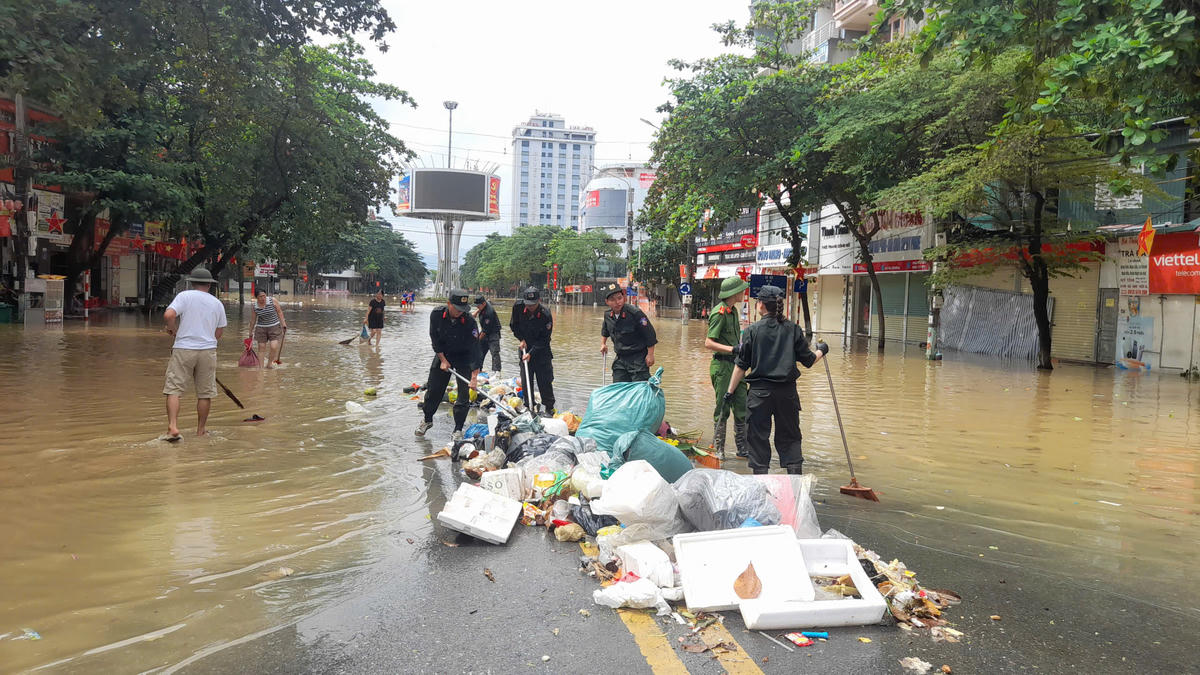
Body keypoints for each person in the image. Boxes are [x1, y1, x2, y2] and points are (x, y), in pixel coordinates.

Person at [724, 285, 828, 475]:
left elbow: (741, 366)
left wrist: (729, 392)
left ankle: (761, 488)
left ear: (761, 305)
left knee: (757, 439)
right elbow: (809, 361)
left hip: (759, 396)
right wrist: (823, 349)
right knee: (790, 438)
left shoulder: (752, 331)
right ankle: (795, 489)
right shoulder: (793, 329)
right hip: (787, 394)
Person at [162, 267, 228, 439]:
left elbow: (168, 315)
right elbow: (219, 333)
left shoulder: (184, 296)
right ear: (209, 285)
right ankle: (201, 431)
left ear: (192, 283)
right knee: (205, 393)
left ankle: (173, 427)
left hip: (184, 348)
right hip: (207, 350)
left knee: (174, 389)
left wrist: (172, 329)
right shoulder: (217, 303)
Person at [415, 289, 482, 440]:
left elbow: (475, 349)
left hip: (464, 357)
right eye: (457, 309)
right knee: (434, 389)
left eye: (462, 310)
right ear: (448, 304)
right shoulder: (437, 315)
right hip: (443, 354)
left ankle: (458, 429)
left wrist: (474, 376)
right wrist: (443, 360)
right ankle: (427, 420)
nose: (460, 312)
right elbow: (435, 339)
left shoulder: (470, 321)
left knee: (464, 395)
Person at [705, 276, 750, 459]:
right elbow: (708, 343)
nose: (743, 292)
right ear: (734, 293)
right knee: (723, 406)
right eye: (741, 290)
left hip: (736, 365)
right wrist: (733, 349)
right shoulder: (719, 313)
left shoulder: (733, 311)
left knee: (742, 406)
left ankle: (742, 449)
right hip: (722, 366)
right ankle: (720, 450)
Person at [509, 286, 555, 415]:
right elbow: (514, 325)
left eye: (533, 305)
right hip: (525, 349)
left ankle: (549, 407)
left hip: (542, 351)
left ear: (538, 301)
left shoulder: (545, 314)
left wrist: (532, 353)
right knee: (526, 379)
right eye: (528, 304)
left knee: (545, 380)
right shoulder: (518, 307)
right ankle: (529, 405)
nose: (530, 307)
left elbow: (545, 339)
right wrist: (521, 339)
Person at [599, 283, 657, 382]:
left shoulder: (635, 313)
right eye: (612, 300)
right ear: (607, 302)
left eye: (619, 298)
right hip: (620, 358)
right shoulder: (608, 315)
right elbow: (605, 331)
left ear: (624, 298)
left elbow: (650, 334)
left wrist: (650, 355)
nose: (617, 302)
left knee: (639, 389)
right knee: (618, 389)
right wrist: (603, 344)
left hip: (638, 358)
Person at [248, 289, 287, 367]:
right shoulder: (255, 306)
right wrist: (250, 332)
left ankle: (269, 364)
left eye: (264, 296)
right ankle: (261, 368)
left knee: (273, 346)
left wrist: (283, 324)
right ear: (256, 298)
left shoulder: (273, 301)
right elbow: (253, 320)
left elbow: (279, 312)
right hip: (261, 328)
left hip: (274, 326)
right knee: (261, 347)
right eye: (260, 296)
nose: (263, 298)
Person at [474, 295, 502, 374]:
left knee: (494, 353)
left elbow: (485, 331)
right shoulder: (485, 304)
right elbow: (481, 307)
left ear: (483, 304)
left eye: (478, 306)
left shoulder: (489, 313)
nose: (477, 307)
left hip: (493, 333)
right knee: (480, 352)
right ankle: (478, 369)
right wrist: (476, 312)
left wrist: (477, 341)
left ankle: (497, 372)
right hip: (485, 332)